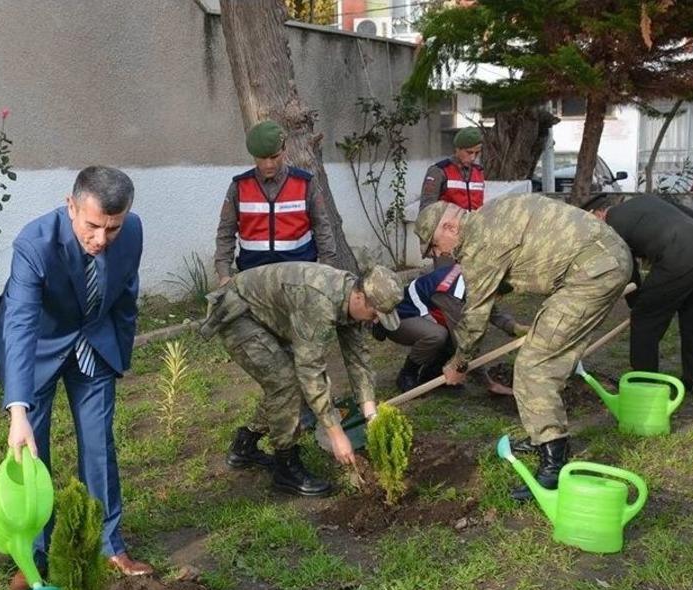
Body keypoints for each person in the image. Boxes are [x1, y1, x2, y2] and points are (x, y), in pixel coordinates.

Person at [0, 166, 151, 590]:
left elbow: (125, 295)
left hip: (94, 345)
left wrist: (119, 354)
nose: (102, 239)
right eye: (93, 226)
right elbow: (21, 325)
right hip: (38, 349)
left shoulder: (132, 232)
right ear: (71, 205)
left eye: (112, 229)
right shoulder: (34, 243)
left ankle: (109, 546)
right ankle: (34, 557)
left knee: (100, 444)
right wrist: (18, 411)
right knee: (32, 452)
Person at [414, 197, 632, 501]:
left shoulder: (478, 245)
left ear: (450, 227)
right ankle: (544, 435)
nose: (440, 254)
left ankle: (554, 466)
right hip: (605, 259)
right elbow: (503, 278)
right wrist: (505, 319)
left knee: (533, 366)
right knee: (551, 358)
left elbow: (474, 318)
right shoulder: (491, 215)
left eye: (436, 246)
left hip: (590, 275)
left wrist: (459, 363)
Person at [201, 263, 403, 497]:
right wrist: (337, 436)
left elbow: (358, 360)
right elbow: (311, 373)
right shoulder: (320, 302)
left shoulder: (351, 298)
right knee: (287, 385)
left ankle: (244, 445)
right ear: (359, 297)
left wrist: (371, 415)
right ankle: (285, 467)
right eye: (375, 314)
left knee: (286, 387)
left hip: (271, 315)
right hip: (239, 315)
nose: (376, 321)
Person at [586, 193, 693, 391]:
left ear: (598, 214)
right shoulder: (642, 201)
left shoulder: (611, 228)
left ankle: (643, 385)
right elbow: (686, 213)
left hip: (677, 255)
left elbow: (627, 269)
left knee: (644, 321)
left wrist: (636, 303)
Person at [214, 120, 341, 285]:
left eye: (274, 157)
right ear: (253, 156)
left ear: (284, 149)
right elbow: (225, 233)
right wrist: (224, 274)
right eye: (262, 158)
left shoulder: (305, 184)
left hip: (300, 276)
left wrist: (327, 270)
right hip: (253, 277)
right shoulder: (239, 187)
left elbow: (322, 228)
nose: (269, 164)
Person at [380, 263, 526, 394]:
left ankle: (431, 375)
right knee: (439, 335)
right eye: (497, 295)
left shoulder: (473, 277)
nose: (497, 299)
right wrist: (489, 383)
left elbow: (491, 311)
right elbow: (463, 340)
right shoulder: (452, 294)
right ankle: (407, 375)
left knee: (446, 334)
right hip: (399, 319)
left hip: (420, 316)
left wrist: (515, 328)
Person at [420, 127, 485, 211]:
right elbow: (426, 210)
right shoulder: (439, 171)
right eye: (469, 152)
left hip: (472, 223)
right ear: (457, 149)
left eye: (477, 153)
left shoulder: (479, 172)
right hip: (447, 222)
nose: (473, 158)